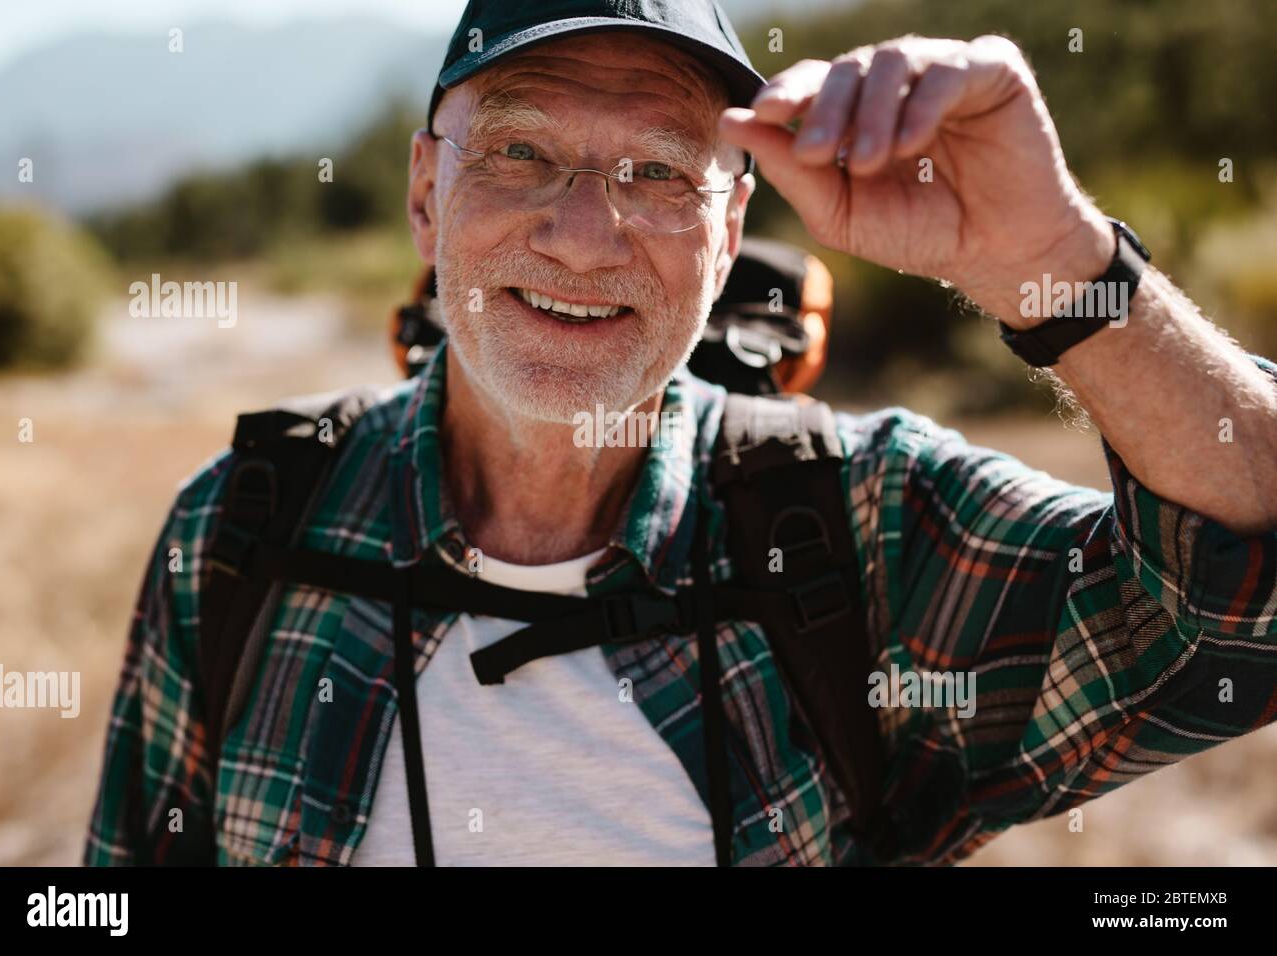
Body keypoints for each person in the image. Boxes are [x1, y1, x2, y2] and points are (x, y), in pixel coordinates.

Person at [85, 0, 1277, 867]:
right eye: (519, 150)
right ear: (421, 197)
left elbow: (1237, 612)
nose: (584, 236)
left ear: (730, 227)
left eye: (658, 172)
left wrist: (1050, 265)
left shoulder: (862, 530)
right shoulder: (250, 519)